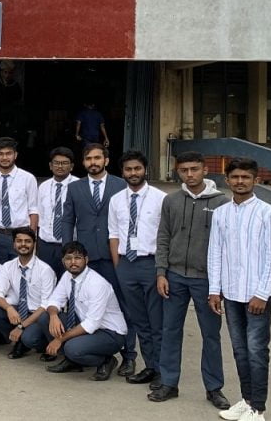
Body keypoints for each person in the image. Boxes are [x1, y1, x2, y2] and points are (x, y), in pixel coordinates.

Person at [148, 151, 231, 410]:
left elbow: (227, 246)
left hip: (206, 280)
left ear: (205, 170)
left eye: (195, 169)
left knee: (211, 334)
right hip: (174, 277)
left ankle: (214, 388)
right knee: (170, 330)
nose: (190, 174)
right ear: (178, 172)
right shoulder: (172, 201)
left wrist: (218, 284)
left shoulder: (222, 203)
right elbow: (163, 237)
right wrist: (161, 272)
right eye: (184, 170)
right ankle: (169, 383)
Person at [209, 158, 271, 421]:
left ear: (256, 180)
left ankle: (258, 409)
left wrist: (262, 293)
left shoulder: (268, 213)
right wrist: (214, 290)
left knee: (256, 351)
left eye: (246, 177)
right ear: (227, 180)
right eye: (235, 177)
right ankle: (247, 400)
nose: (240, 181)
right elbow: (215, 253)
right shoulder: (221, 213)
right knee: (240, 350)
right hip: (230, 294)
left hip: (257, 297)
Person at [61, 143, 135, 375]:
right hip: (85, 258)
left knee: (123, 307)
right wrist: (68, 252)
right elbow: (67, 220)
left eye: (97, 158)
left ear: (106, 160)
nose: (93, 162)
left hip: (114, 257)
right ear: (83, 163)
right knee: (77, 304)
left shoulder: (121, 184)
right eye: (88, 159)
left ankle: (129, 356)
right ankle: (81, 354)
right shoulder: (74, 188)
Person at [108, 150, 167, 386]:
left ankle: (163, 371)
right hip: (126, 264)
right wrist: (118, 265)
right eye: (128, 169)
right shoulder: (116, 200)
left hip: (151, 264)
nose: (133, 173)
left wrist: (162, 269)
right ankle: (150, 367)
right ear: (122, 172)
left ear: (145, 170)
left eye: (137, 169)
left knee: (157, 321)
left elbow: (166, 236)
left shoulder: (161, 198)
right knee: (139, 320)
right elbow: (113, 234)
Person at [40, 242, 128, 381]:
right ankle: (74, 362)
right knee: (45, 317)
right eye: (68, 258)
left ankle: (106, 361)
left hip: (110, 333)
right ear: (63, 262)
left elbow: (92, 324)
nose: (73, 262)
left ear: (86, 260)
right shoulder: (67, 276)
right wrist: (53, 315)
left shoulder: (97, 284)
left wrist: (60, 339)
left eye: (78, 258)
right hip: (84, 326)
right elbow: (54, 301)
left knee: (72, 348)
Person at [0, 227, 55, 358]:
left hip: (37, 315)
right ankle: (17, 340)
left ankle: (42, 345)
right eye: (19, 241)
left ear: (34, 244)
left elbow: (46, 305)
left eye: (27, 241)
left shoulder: (45, 270)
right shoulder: (8, 266)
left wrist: (21, 327)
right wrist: (9, 309)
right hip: (18, 311)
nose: (23, 244)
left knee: (30, 338)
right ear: (14, 244)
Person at [0, 137, 38, 264]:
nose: (4, 158)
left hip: (21, 235)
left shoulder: (28, 178)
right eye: (1, 154)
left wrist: (31, 238)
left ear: (15, 155)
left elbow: (33, 210)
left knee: (22, 273)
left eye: (8, 153)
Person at [36, 147, 79, 278]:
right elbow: (40, 215)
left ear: (71, 166)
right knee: (45, 281)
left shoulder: (79, 185)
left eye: (65, 163)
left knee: (70, 281)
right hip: (46, 245)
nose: (60, 166)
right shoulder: (43, 186)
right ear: (50, 165)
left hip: (71, 244)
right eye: (56, 163)